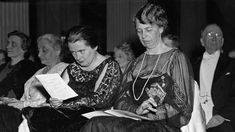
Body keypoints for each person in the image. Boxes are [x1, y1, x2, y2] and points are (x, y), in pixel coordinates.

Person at [81, 2, 194, 132]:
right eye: (139, 31)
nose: (143, 36)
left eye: (148, 30)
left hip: (163, 126)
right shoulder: (135, 64)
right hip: (136, 123)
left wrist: (152, 112)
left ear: (161, 28)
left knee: (98, 125)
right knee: (95, 122)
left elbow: (184, 109)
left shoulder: (175, 58)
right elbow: (120, 101)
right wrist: (137, 109)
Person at [25, 25, 122, 132]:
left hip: (94, 118)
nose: (77, 57)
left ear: (95, 47)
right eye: (73, 52)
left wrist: (66, 104)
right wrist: (54, 101)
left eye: (81, 51)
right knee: (36, 114)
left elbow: (101, 100)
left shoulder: (110, 66)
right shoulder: (72, 68)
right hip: (69, 115)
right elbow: (58, 95)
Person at [0, 34, 69, 132]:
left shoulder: (66, 70)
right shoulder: (39, 71)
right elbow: (24, 98)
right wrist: (13, 102)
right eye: (38, 51)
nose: (39, 55)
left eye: (44, 50)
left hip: (43, 117)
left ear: (58, 50)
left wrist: (22, 104)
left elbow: (53, 101)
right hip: (26, 112)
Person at [192, 24, 235, 132]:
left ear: (222, 41)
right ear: (202, 41)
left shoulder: (232, 65)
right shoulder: (191, 66)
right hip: (195, 122)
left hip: (221, 123)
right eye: (210, 34)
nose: (214, 37)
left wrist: (222, 116)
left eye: (218, 35)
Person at [0, 30, 38, 99]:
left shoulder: (30, 68)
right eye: (8, 43)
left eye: (13, 44)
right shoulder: (2, 67)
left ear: (24, 48)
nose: (8, 46)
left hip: (16, 107)